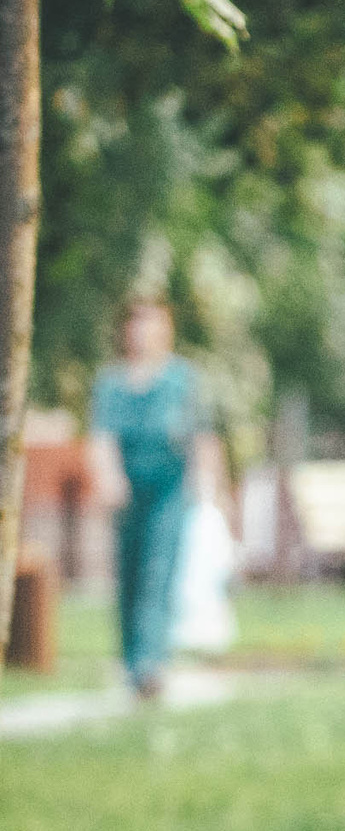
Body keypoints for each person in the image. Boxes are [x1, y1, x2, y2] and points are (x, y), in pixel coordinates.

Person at [89, 298, 210, 699]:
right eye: (135, 325)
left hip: (169, 490)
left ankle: (150, 665)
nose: (141, 333)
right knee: (129, 575)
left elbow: (201, 435)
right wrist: (109, 478)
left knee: (158, 572)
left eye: (151, 324)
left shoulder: (181, 379)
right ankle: (131, 663)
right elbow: (102, 436)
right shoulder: (111, 382)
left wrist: (208, 485)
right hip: (129, 489)